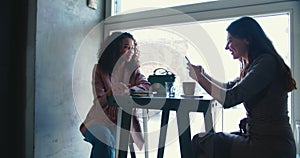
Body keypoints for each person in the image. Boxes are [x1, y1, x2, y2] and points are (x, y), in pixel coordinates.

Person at [187, 16, 297, 158]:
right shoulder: (254, 65)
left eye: (230, 40)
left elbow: (229, 98)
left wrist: (200, 78)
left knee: (201, 142)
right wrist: (203, 74)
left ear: (247, 39)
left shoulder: (265, 63)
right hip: (259, 138)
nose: (227, 47)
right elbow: (228, 88)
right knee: (206, 143)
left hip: (271, 146)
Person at [79, 32, 151, 158]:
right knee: (104, 138)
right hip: (98, 120)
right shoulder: (100, 69)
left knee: (111, 141)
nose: (131, 51)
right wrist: (110, 93)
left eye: (132, 48)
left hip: (122, 122)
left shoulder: (134, 71)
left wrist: (130, 91)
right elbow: (98, 103)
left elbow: (147, 86)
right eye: (126, 47)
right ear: (114, 48)